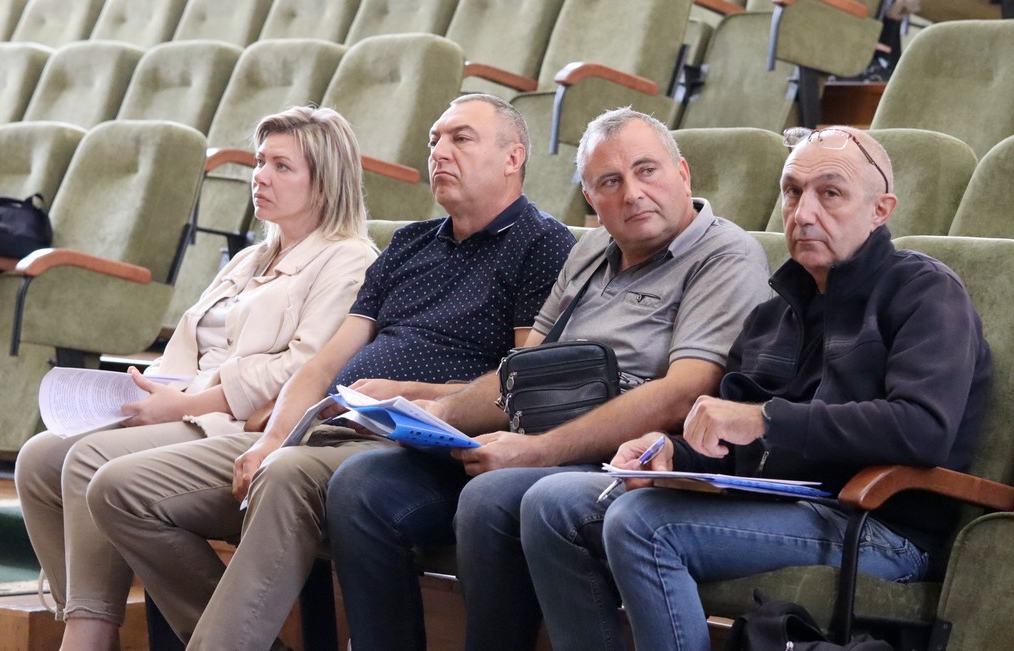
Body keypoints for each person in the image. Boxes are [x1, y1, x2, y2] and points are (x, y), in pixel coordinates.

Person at [87, 93, 576, 650]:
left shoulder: (541, 243)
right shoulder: (411, 242)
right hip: (326, 425)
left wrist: (404, 392)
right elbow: (325, 363)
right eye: (434, 140)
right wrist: (271, 437)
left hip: (413, 445)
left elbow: (520, 383)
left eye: (460, 138)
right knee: (118, 489)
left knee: (285, 472)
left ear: (513, 157)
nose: (440, 151)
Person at [520, 126, 993, 651]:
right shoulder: (772, 316)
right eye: (792, 192)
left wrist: (766, 419)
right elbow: (737, 447)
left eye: (830, 193)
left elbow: (922, 429)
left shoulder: (925, 291)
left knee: (642, 524)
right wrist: (672, 453)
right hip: (781, 503)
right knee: (551, 507)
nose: (804, 213)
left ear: (880, 210)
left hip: (878, 525)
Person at [325, 107, 772, 651]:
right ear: (591, 198)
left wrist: (536, 451)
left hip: (621, 456)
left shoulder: (725, 254)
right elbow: (521, 372)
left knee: (490, 496)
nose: (633, 194)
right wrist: (435, 416)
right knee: (361, 487)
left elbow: (684, 393)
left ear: (682, 173)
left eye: (647, 171)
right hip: (534, 438)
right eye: (610, 182)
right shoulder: (589, 251)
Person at [14, 105, 379, 651]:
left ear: (324, 184)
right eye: (259, 162)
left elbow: (302, 368)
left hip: (242, 422)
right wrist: (145, 391)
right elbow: (186, 349)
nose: (260, 176)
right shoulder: (250, 258)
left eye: (282, 166)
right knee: (39, 458)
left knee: (88, 460)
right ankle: (83, 614)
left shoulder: (348, 259)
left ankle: (90, 633)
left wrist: (183, 405)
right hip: (186, 405)